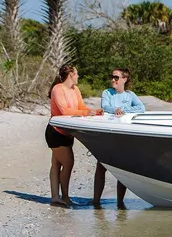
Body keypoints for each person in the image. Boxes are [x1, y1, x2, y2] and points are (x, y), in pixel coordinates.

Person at [46, 64, 103, 207]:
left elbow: (81, 107)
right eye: (77, 74)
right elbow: (65, 110)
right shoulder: (57, 89)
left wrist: (93, 111)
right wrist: (85, 113)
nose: (78, 76)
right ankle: (65, 197)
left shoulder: (75, 89)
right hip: (55, 132)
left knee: (56, 163)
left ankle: (55, 197)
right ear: (71, 74)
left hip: (67, 133)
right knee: (68, 163)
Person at [91, 68, 145, 208]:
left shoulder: (131, 95)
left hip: (123, 136)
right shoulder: (107, 92)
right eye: (112, 77)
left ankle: (120, 203)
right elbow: (105, 106)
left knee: (121, 168)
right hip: (108, 135)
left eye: (116, 77)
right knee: (101, 166)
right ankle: (95, 201)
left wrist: (124, 110)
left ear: (124, 79)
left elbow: (141, 108)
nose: (113, 80)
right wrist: (115, 110)